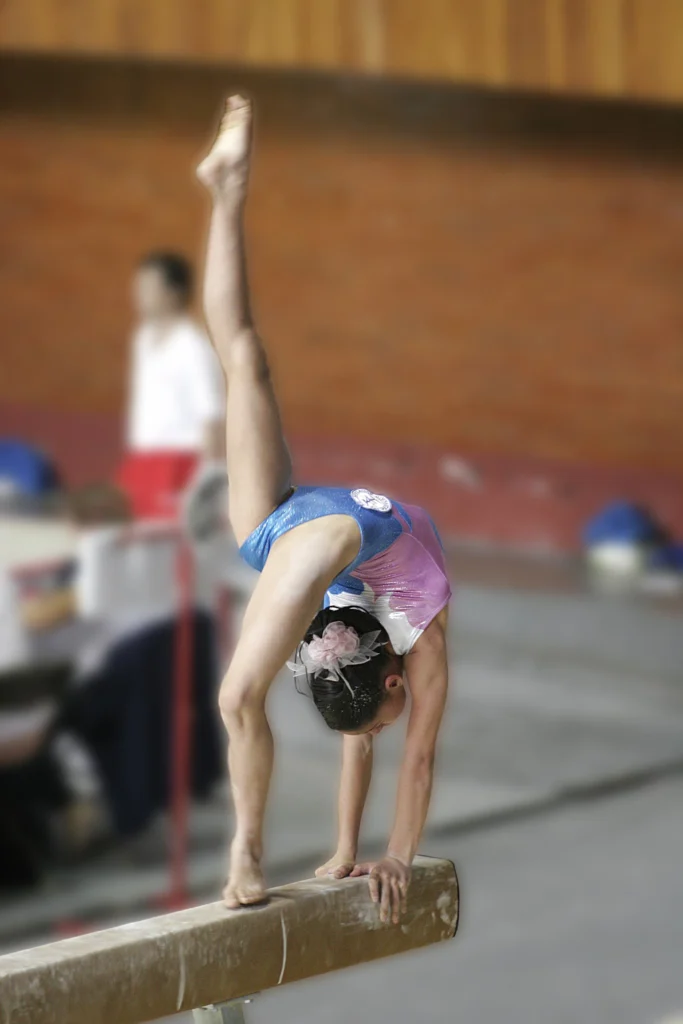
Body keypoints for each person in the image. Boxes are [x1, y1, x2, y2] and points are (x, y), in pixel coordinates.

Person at [197, 96, 451, 925]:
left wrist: (361, 850)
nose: (388, 721)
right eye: (385, 709)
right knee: (245, 356)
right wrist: (388, 856)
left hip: (296, 532)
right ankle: (246, 849)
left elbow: (388, 742)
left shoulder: (374, 635)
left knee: (242, 356)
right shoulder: (419, 624)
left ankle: (227, 192)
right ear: (389, 674)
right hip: (294, 533)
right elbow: (411, 757)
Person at [116, 251, 226, 521]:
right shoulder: (141, 339)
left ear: (174, 293)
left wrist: (207, 477)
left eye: (149, 287)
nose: (139, 294)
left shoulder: (193, 346)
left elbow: (211, 414)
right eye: (138, 286)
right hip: (141, 459)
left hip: (179, 462)